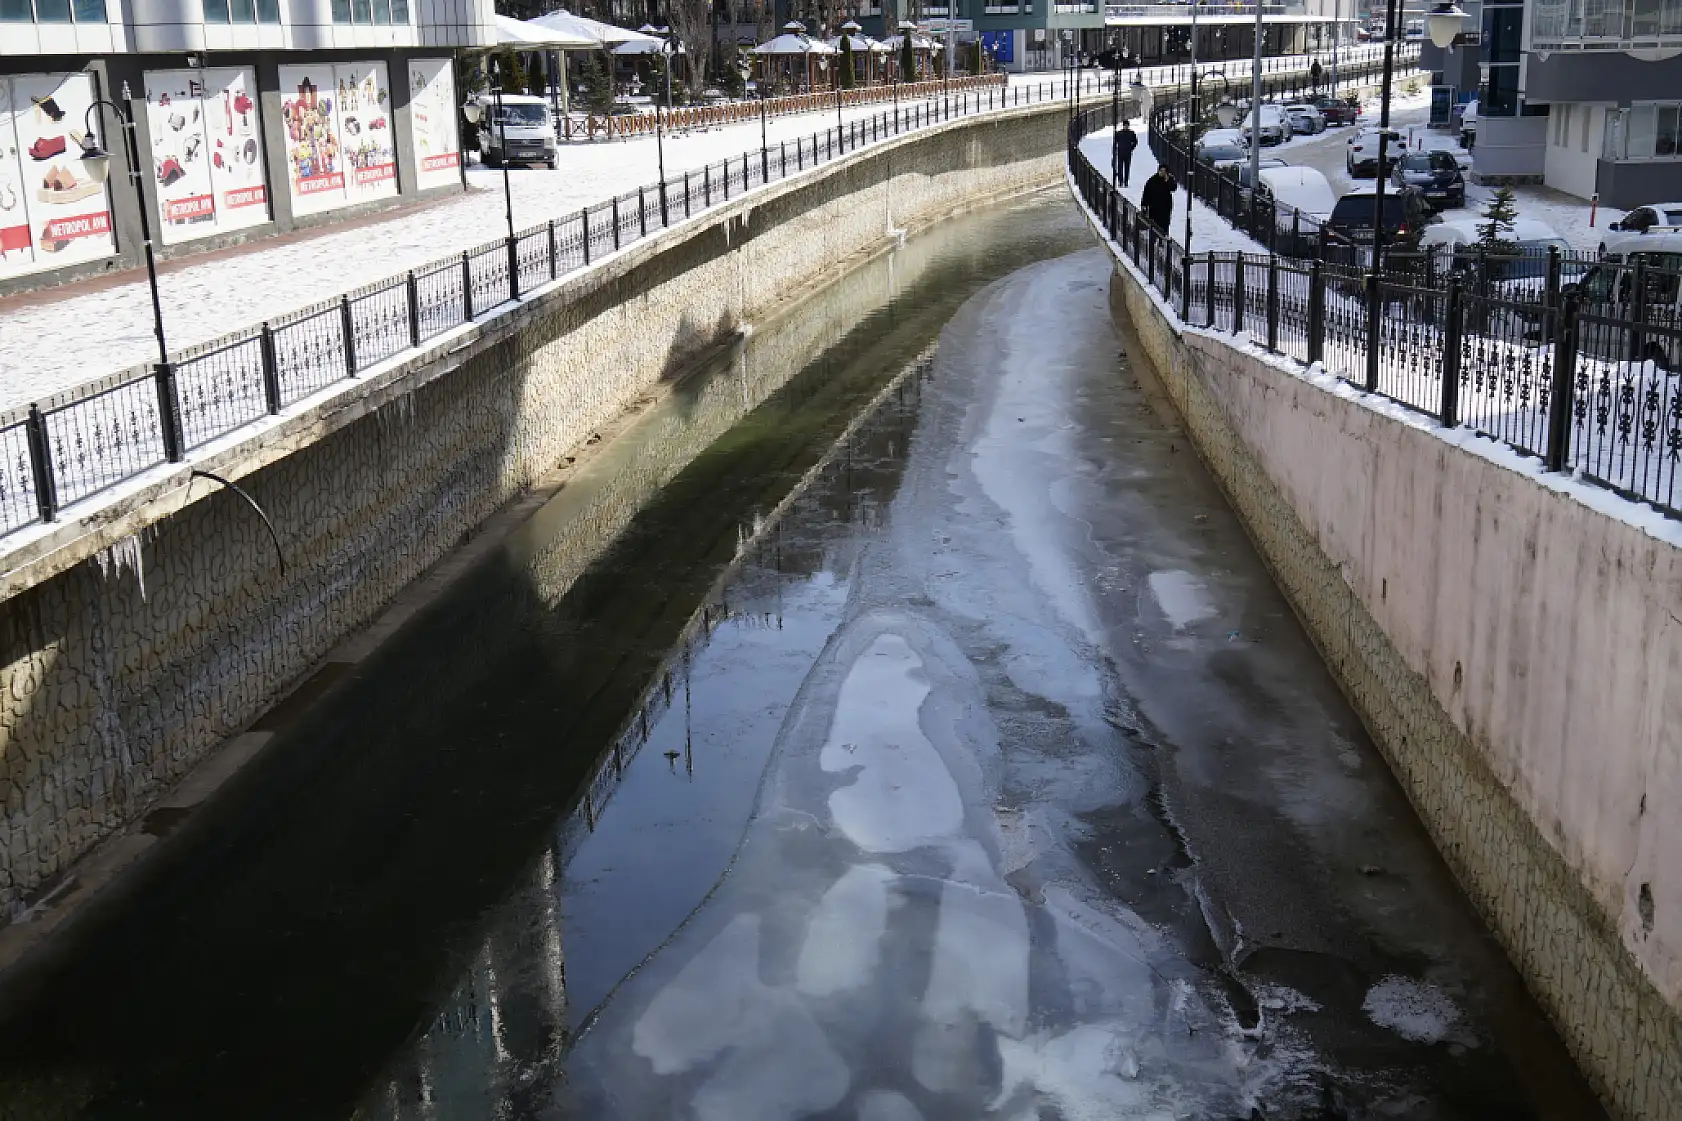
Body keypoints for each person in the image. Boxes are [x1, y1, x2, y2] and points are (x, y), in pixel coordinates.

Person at [1141, 164, 1175, 232]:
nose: (1162, 172)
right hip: (1154, 208)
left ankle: (1163, 241)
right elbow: (1146, 193)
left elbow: (1173, 188)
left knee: (1164, 227)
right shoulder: (1152, 180)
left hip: (1165, 209)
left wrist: (1167, 181)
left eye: (1164, 171)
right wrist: (1144, 204)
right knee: (1154, 227)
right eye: (1161, 170)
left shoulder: (1169, 179)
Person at [1112, 121, 1138, 187]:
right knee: (1120, 168)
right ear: (1123, 126)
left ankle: (1126, 181)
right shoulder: (1119, 133)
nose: (1126, 126)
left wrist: (1131, 148)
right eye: (1125, 125)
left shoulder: (1131, 133)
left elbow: (1135, 142)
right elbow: (1115, 142)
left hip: (1128, 153)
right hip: (1120, 153)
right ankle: (1120, 181)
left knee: (1127, 168)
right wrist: (1114, 151)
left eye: (1127, 125)